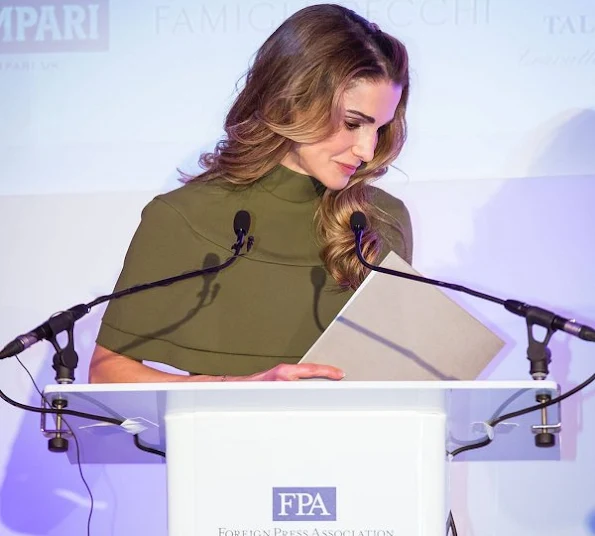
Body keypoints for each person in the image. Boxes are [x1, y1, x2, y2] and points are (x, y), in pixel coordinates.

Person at [88, 4, 413, 384]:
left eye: (380, 129)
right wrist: (238, 391)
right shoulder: (183, 218)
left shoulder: (382, 222)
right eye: (353, 123)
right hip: (220, 427)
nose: (367, 151)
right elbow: (106, 372)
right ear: (292, 100)